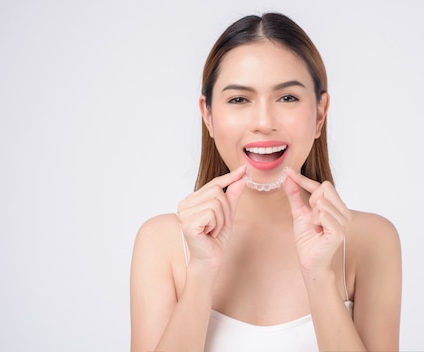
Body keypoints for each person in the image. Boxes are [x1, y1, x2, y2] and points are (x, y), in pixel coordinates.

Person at [129, 12, 401, 352]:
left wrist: (319, 277)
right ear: (208, 116)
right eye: (239, 99)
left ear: (319, 114)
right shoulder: (161, 243)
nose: (263, 122)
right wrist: (201, 272)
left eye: (287, 98)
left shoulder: (371, 241)